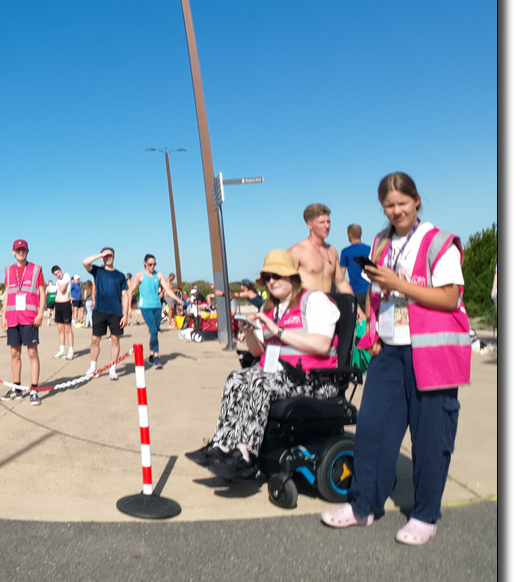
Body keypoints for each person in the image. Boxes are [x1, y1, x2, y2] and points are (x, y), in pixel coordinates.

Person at [321, 172, 470, 546]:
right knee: (372, 430)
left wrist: (398, 283)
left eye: (402, 203)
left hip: (431, 352)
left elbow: (450, 298)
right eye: (389, 205)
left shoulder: (438, 243)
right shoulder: (382, 241)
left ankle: (424, 515)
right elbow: (377, 295)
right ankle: (363, 505)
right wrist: (372, 331)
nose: (396, 210)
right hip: (388, 349)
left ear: (417, 200)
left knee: (430, 436)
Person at [187, 249, 340, 480]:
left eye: (277, 276)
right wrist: (249, 332)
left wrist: (277, 329)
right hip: (279, 375)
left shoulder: (314, 301)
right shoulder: (272, 309)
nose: (271, 282)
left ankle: (246, 455)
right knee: (237, 378)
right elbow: (260, 352)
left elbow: (320, 345)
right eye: (267, 278)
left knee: (258, 382)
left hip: (314, 380)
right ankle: (223, 444)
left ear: (292, 277)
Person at [289, 204, 364, 321]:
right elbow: (286, 284)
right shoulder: (297, 251)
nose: (327, 226)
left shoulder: (332, 250)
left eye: (328, 222)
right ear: (309, 225)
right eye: (322, 222)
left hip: (330, 308)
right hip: (306, 311)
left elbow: (340, 282)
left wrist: (358, 309)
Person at [0, 239, 46, 405]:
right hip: (13, 318)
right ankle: (17, 387)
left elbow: (42, 293)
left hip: (30, 318)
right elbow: (7, 294)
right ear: (13, 252)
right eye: (18, 250)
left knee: (32, 353)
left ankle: (34, 389)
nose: (21, 252)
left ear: (27, 251)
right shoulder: (8, 270)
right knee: (14, 353)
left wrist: (41, 314)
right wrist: (3, 316)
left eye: (23, 250)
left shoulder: (36, 269)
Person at [81, 248, 129, 380]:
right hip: (100, 310)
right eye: (106, 255)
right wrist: (100, 255)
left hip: (116, 312)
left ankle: (112, 369)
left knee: (115, 340)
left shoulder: (120, 275)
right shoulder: (98, 271)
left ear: (114, 256)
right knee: (95, 340)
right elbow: (84, 262)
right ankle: (93, 367)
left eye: (110, 255)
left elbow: (125, 295)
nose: (108, 257)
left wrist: (125, 314)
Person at [128, 255, 182, 369]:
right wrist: (128, 308)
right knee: (153, 329)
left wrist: (178, 299)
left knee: (155, 331)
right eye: (150, 264)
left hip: (157, 306)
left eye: (154, 264)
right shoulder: (139, 275)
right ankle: (156, 358)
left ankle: (152, 355)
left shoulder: (159, 275)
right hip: (145, 307)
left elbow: (167, 289)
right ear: (145, 263)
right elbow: (130, 291)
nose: (152, 266)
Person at [339, 224, 372, 315]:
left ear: (349, 235)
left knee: (357, 324)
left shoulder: (346, 252)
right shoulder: (370, 249)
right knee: (370, 321)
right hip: (370, 291)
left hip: (355, 292)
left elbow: (340, 275)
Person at [50, 266, 74, 359]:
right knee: (60, 329)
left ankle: (71, 350)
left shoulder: (66, 276)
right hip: (58, 304)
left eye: (58, 272)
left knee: (68, 328)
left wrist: (59, 284)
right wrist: (55, 308)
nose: (58, 275)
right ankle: (62, 350)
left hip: (65, 304)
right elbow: (57, 292)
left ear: (61, 270)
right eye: (56, 274)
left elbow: (62, 289)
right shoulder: (57, 281)